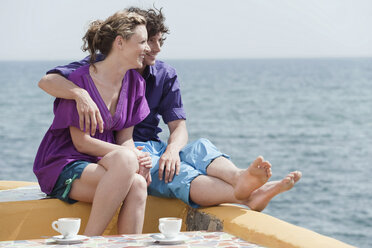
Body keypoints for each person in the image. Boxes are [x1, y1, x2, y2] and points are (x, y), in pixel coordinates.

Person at [38, 7, 302, 212]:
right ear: (126, 42)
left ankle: (239, 178)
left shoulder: (164, 74)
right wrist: (80, 94)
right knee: (178, 172)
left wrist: (174, 150)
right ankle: (244, 196)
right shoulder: (101, 66)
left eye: (157, 40)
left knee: (199, 148)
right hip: (127, 150)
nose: (155, 48)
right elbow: (48, 80)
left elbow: (179, 126)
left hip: (153, 144)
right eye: (148, 41)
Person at [33, 10, 152, 236]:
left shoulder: (136, 83)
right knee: (128, 160)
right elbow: (82, 143)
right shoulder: (79, 80)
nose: (148, 48)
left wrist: (137, 157)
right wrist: (128, 156)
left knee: (137, 184)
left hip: (105, 163)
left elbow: (125, 139)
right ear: (120, 42)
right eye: (143, 41)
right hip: (65, 163)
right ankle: (90, 240)